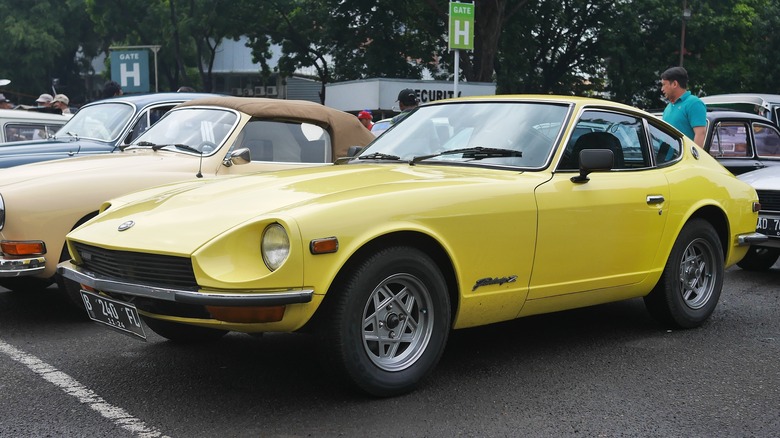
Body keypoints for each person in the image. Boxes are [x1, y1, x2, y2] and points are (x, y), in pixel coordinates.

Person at [661, 66, 706, 147]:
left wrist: (694, 158)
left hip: (685, 158)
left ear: (674, 84)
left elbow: (700, 134)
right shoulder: (668, 107)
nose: (662, 89)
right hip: (668, 158)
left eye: (664, 85)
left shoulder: (694, 103)